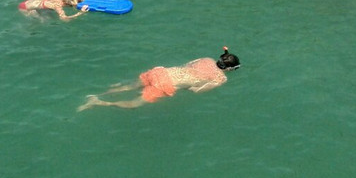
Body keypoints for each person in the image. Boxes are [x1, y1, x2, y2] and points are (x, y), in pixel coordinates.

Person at [78, 48, 240, 110]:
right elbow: (195, 90)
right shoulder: (220, 79)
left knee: (128, 86)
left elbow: (187, 65)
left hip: (160, 72)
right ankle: (99, 102)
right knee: (134, 104)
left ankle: (102, 93)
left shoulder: (207, 59)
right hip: (165, 84)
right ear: (230, 69)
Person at [18, 0, 87, 21]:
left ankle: (38, 11)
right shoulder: (57, 6)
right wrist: (80, 13)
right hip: (24, 7)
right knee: (44, 21)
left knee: (49, 14)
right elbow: (64, 19)